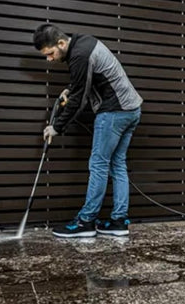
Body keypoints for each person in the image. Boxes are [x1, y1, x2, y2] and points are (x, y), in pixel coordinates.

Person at [33, 23, 143, 238]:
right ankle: (119, 221)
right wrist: (71, 89)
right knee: (117, 163)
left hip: (114, 112)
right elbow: (84, 80)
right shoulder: (82, 42)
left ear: (61, 43)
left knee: (98, 164)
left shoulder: (80, 54)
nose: (49, 59)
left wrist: (57, 127)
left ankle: (85, 221)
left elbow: (79, 100)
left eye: (50, 53)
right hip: (132, 110)